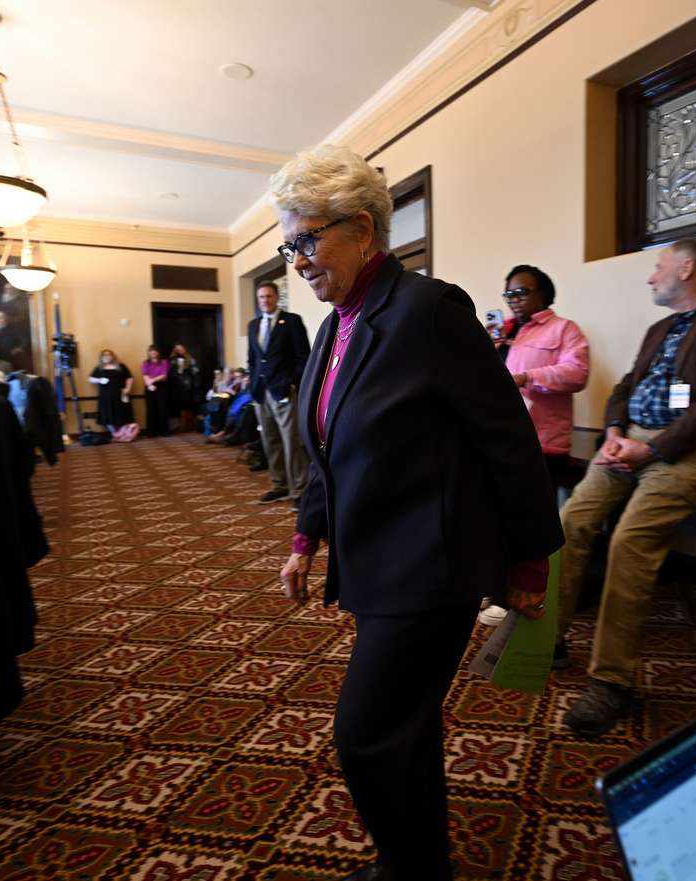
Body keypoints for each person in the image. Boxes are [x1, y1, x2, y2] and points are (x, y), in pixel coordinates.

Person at [272, 144, 563, 881]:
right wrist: (307, 534)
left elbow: (509, 439)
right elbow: (328, 442)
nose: (296, 259)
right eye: (288, 244)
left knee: (366, 734)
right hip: (375, 555)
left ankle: (411, 869)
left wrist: (530, 562)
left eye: (306, 239)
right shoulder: (337, 323)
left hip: (431, 563)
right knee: (403, 727)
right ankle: (418, 859)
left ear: (362, 229)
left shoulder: (427, 309)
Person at [558, 238, 696, 738]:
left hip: (691, 451)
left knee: (631, 541)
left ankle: (611, 681)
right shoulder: (659, 328)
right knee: (569, 523)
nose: (651, 277)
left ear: (688, 267)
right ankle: (545, 638)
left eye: (658, 268)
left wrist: (653, 450)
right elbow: (625, 387)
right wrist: (614, 432)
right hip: (628, 444)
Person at [479, 264, 589, 628]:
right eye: (509, 294)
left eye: (522, 292)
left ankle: (522, 598)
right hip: (501, 440)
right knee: (493, 518)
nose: (514, 300)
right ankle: (496, 587)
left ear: (544, 294)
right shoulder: (503, 333)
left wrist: (529, 378)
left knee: (528, 522)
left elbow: (578, 373)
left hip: (543, 442)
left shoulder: (564, 329)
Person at [247, 281, 312, 511]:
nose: (265, 300)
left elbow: (304, 356)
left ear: (276, 298)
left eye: (269, 296)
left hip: (283, 390)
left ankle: (299, 489)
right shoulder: (253, 325)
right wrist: (252, 381)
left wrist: (292, 382)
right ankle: (279, 484)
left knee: (291, 441)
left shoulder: (291, 321)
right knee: (270, 440)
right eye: (262, 297)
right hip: (261, 393)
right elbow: (253, 360)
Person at [89, 349, 133, 433]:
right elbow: (90, 379)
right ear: (101, 358)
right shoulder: (99, 368)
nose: (107, 356)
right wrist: (99, 380)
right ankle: (115, 434)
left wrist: (128, 388)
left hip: (121, 395)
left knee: (122, 413)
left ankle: (123, 434)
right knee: (107, 415)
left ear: (113, 356)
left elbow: (129, 378)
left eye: (109, 354)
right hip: (105, 397)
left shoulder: (121, 366)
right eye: (104, 355)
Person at [167, 344, 200, 432]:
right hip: (176, 386)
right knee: (179, 406)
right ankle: (182, 425)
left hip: (189, 386)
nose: (180, 350)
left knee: (188, 405)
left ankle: (189, 425)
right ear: (175, 350)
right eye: (178, 349)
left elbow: (196, 372)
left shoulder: (191, 359)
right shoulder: (172, 360)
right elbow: (169, 373)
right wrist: (177, 371)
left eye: (181, 348)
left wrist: (189, 372)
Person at [141, 344, 170, 437]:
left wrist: (152, 381)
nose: (153, 352)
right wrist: (149, 385)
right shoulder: (146, 363)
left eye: (155, 350)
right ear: (149, 352)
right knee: (150, 409)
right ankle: (152, 431)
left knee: (162, 408)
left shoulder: (164, 362)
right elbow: (145, 375)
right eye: (151, 350)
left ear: (158, 352)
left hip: (161, 386)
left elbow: (164, 375)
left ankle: (164, 431)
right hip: (149, 386)